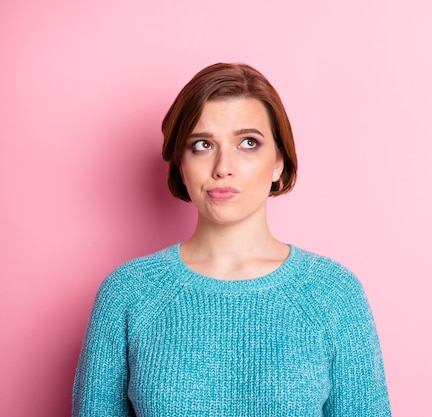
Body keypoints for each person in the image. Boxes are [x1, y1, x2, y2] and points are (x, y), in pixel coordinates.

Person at [72, 63, 391, 416]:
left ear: (278, 163)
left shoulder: (333, 293)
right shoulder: (129, 294)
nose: (224, 166)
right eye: (203, 144)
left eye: (248, 143)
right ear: (181, 163)